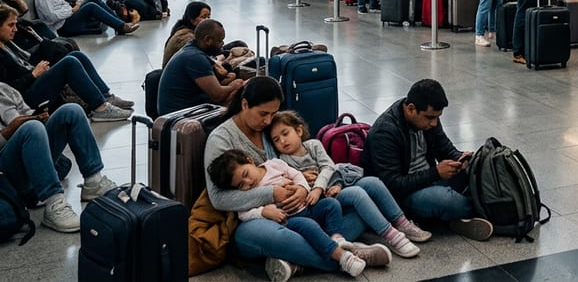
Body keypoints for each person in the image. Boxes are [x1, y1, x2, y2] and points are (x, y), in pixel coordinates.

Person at [204, 78, 377, 282]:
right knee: (271, 235)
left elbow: (284, 165)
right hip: (256, 218)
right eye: (263, 114)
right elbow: (219, 198)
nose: (269, 121)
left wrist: (303, 186)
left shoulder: (267, 130)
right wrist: (272, 193)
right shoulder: (221, 139)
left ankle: (299, 260)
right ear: (244, 105)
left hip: (299, 206)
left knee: (355, 205)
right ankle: (343, 256)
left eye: (273, 114)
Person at [0, 45, 121, 234]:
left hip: (28, 158)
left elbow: (24, 113)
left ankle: (93, 181)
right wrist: (7, 133)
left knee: (71, 111)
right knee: (30, 128)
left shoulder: (2, 90)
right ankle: (53, 202)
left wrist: (37, 116)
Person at [268, 110, 428, 258]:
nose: (282, 140)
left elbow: (329, 166)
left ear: (299, 131)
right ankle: (391, 236)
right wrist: (303, 179)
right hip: (319, 204)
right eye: (276, 140)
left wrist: (323, 186)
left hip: (330, 191)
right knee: (358, 195)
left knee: (372, 182)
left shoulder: (313, 145)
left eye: (285, 133)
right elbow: (291, 185)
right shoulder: (282, 161)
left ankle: (401, 222)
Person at [207, 149, 390, 278]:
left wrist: (303, 188)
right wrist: (264, 211)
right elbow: (243, 214)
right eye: (241, 185)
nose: (248, 182)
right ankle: (343, 257)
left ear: (249, 160)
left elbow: (296, 175)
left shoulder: (274, 164)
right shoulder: (247, 194)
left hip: (308, 206)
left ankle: (336, 239)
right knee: (309, 226)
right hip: (291, 220)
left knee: (332, 205)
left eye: (246, 174)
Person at [363, 79, 493, 241]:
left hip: (429, 180)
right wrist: (436, 173)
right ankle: (485, 209)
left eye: (437, 118)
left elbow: (445, 148)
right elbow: (393, 185)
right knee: (447, 200)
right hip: (403, 197)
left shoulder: (427, 120)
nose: (434, 123)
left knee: (475, 172)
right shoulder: (385, 133)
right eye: (430, 118)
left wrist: (461, 158)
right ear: (411, 109)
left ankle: (457, 218)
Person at [0, 4, 132, 122]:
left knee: (76, 55)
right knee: (70, 62)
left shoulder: (5, 44)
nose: (15, 29)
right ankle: (100, 108)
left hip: (32, 81)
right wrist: (33, 74)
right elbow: (5, 90)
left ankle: (105, 96)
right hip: (25, 96)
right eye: (10, 25)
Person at [159, 19, 245, 114]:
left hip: (182, 108)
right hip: (181, 116)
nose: (222, 44)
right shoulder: (195, 58)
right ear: (207, 40)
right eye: (220, 41)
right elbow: (217, 95)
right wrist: (234, 87)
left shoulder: (192, 49)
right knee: (240, 90)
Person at [163, 1, 211, 66]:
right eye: (203, 17)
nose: (208, 20)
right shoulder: (186, 38)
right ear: (192, 19)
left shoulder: (184, 29)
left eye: (209, 17)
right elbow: (201, 59)